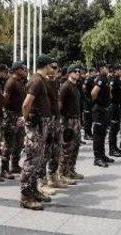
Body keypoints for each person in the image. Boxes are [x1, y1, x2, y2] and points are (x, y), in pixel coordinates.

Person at [20, 54, 56, 211]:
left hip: (42, 125)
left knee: (38, 159)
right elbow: (26, 103)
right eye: (51, 66)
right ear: (46, 65)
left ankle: (33, 191)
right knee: (31, 161)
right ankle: (26, 197)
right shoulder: (36, 81)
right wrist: (26, 120)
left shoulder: (42, 80)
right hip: (36, 126)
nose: (52, 69)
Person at [40, 62, 69, 192]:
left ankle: (53, 177)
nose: (55, 70)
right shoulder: (43, 83)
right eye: (52, 67)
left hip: (56, 120)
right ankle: (42, 181)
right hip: (46, 120)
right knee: (44, 151)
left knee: (56, 150)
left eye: (57, 68)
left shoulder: (56, 82)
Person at [58, 64, 84, 183]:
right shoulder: (65, 86)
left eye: (79, 71)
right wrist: (60, 120)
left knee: (76, 146)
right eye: (75, 71)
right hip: (67, 121)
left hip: (76, 119)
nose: (78, 73)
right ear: (69, 73)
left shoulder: (75, 86)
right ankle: (62, 173)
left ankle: (70, 170)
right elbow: (60, 104)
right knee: (67, 147)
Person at [1, 61, 27, 179]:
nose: (24, 70)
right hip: (11, 116)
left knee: (19, 142)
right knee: (9, 143)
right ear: (17, 70)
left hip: (19, 115)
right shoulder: (11, 82)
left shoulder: (20, 82)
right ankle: (4, 169)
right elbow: (4, 100)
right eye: (22, 68)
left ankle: (15, 165)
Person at [90, 62, 114, 167]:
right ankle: (97, 158)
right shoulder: (100, 79)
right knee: (98, 135)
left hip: (104, 109)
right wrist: (98, 103)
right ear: (100, 69)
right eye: (105, 67)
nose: (108, 68)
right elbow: (93, 93)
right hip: (99, 110)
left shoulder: (105, 78)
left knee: (103, 133)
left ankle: (102, 155)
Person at [108, 65, 121, 158]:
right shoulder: (113, 80)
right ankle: (111, 149)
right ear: (116, 71)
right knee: (113, 128)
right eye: (120, 70)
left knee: (117, 127)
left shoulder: (118, 79)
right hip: (114, 106)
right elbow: (110, 91)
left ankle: (115, 147)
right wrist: (111, 101)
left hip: (118, 105)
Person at [81, 68, 95, 141]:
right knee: (87, 120)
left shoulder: (92, 80)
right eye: (93, 72)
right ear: (90, 72)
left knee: (90, 119)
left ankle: (90, 133)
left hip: (91, 102)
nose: (94, 73)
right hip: (87, 102)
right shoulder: (88, 80)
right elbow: (84, 88)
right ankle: (86, 134)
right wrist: (86, 97)